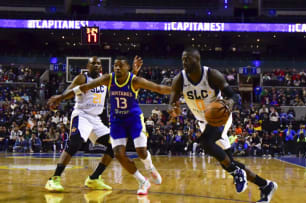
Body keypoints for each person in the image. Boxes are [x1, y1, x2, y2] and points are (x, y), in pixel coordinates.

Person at [48, 56, 171, 195]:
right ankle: (54, 178)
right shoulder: (83, 78)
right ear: (87, 66)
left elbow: (126, 84)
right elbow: (76, 89)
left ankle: (94, 178)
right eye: (92, 63)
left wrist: (134, 73)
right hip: (82, 115)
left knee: (112, 147)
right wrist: (60, 97)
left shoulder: (106, 78)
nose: (96, 65)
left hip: (96, 119)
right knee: (75, 142)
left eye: (98, 63)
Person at [168, 48, 277, 203]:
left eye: (188, 59)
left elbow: (235, 95)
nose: (184, 62)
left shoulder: (212, 75)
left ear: (197, 60)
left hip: (220, 118)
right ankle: (266, 186)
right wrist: (174, 108)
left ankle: (236, 172)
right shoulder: (179, 79)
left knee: (205, 143)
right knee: (228, 162)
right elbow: (172, 100)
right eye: (183, 59)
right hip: (203, 122)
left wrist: (228, 103)